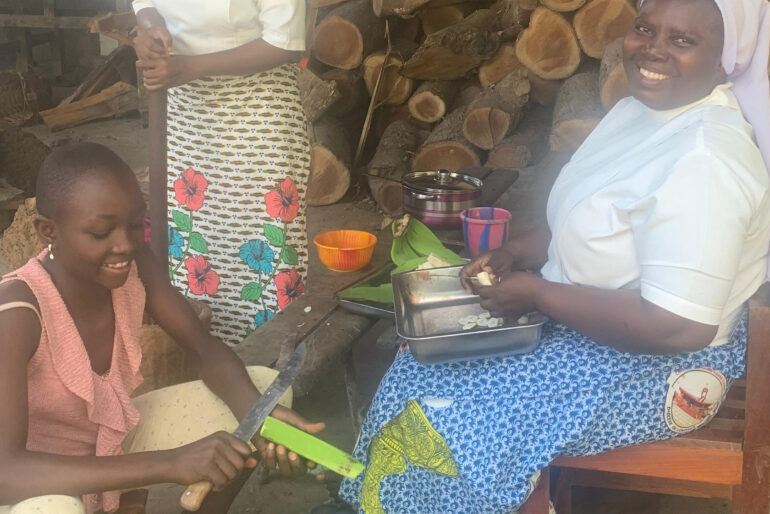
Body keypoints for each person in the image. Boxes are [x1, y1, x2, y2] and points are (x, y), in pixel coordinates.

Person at [338, 0, 770, 512]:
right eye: (644, 29)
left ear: (725, 58)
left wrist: (540, 293)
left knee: (443, 419)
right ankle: (380, 502)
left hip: (665, 370)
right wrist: (516, 252)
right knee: (416, 366)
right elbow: (588, 217)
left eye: (682, 40)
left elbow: (678, 327)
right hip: (592, 327)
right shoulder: (638, 112)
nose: (652, 50)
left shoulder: (707, 159)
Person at [0, 143, 324, 514]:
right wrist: (169, 463)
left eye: (134, 225)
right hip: (32, 483)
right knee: (52, 509)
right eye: (101, 232)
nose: (125, 244)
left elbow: (202, 348)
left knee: (262, 393)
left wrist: (260, 417)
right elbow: (6, 472)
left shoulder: (134, 265)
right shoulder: (17, 313)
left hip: (108, 443)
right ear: (48, 231)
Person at [132, 0, 311, 344]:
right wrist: (149, 24)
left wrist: (192, 66)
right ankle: (200, 355)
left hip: (258, 112)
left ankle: (270, 358)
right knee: (197, 241)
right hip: (187, 111)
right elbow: (145, 3)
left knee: (267, 244)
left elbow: (284, 41)